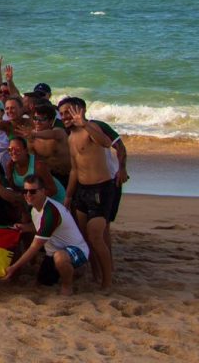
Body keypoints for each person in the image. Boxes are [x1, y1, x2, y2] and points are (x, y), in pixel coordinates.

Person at [59, 97, 118, 289]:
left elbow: (106, 143)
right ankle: (96, 274)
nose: (64, 116)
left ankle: (107, 281)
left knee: (95, 236)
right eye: (61, 113)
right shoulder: (70, 137)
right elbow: (74, 170)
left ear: (80, 110)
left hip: (101, 189)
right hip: (82, 191)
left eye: (67, 112)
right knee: (85, 237)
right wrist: (68, 196)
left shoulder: (90, 129)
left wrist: (84, 123)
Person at [4, 175, 90, 295]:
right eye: (25, 191)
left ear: (43, 191)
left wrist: (14, 267)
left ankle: (67, 285)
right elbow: (39, 227)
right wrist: (25, 228)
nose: (28, 195)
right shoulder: (35, 208)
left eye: (33, 191)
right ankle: (68, 271)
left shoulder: (51, 212)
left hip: (76, 249)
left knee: (60, 258)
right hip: (53, 252)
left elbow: (35, 246)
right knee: (44, 280)